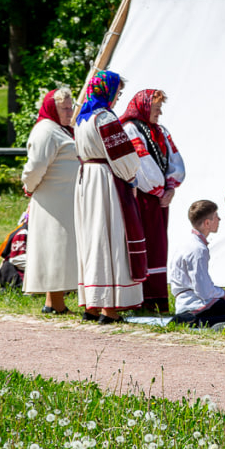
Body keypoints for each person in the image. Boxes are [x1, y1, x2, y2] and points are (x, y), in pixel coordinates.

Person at [73, 70, 146, 322]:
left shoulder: (81, 118)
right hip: (106, 180)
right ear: (108, 90)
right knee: (109, 238)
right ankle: (109, 307)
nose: (117, 98)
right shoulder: (104, 118)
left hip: (86, 179)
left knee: (92, 238)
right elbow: (124, 157)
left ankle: (92, 305)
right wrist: (132, 175)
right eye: (118, 92)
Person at [120, 89, 186, 313]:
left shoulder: (160, 131)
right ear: (145, 108)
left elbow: (175, 160)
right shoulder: (131, 129)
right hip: (142, 198)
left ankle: (157, 299)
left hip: (158, 199)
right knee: (144, 244)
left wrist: (170, 187)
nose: (160, 112)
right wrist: (159, 190)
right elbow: (142, 164)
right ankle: (142, 299)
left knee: (158, 246)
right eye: (156, 108)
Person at [21, 87, 80, 314]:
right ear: (51, 108)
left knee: (60, 250)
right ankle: (55, 304)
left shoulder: (62, 130)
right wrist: (29, 187)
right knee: (54, 249)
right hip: (52, 201)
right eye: (63, 108)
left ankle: (53, 303)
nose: (69, 111)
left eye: (70, 107)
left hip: (63, 201)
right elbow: (35, 167)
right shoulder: (45, 130)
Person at [168, 200, 225, 330]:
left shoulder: (189, 243)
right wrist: (221, 293)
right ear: (207, 223)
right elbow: (203, 290)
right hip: (197, 306)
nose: (219, 219)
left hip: (195, 302)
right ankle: (195, 322)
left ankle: (202, 321)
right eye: (216, 216)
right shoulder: (197, 249)